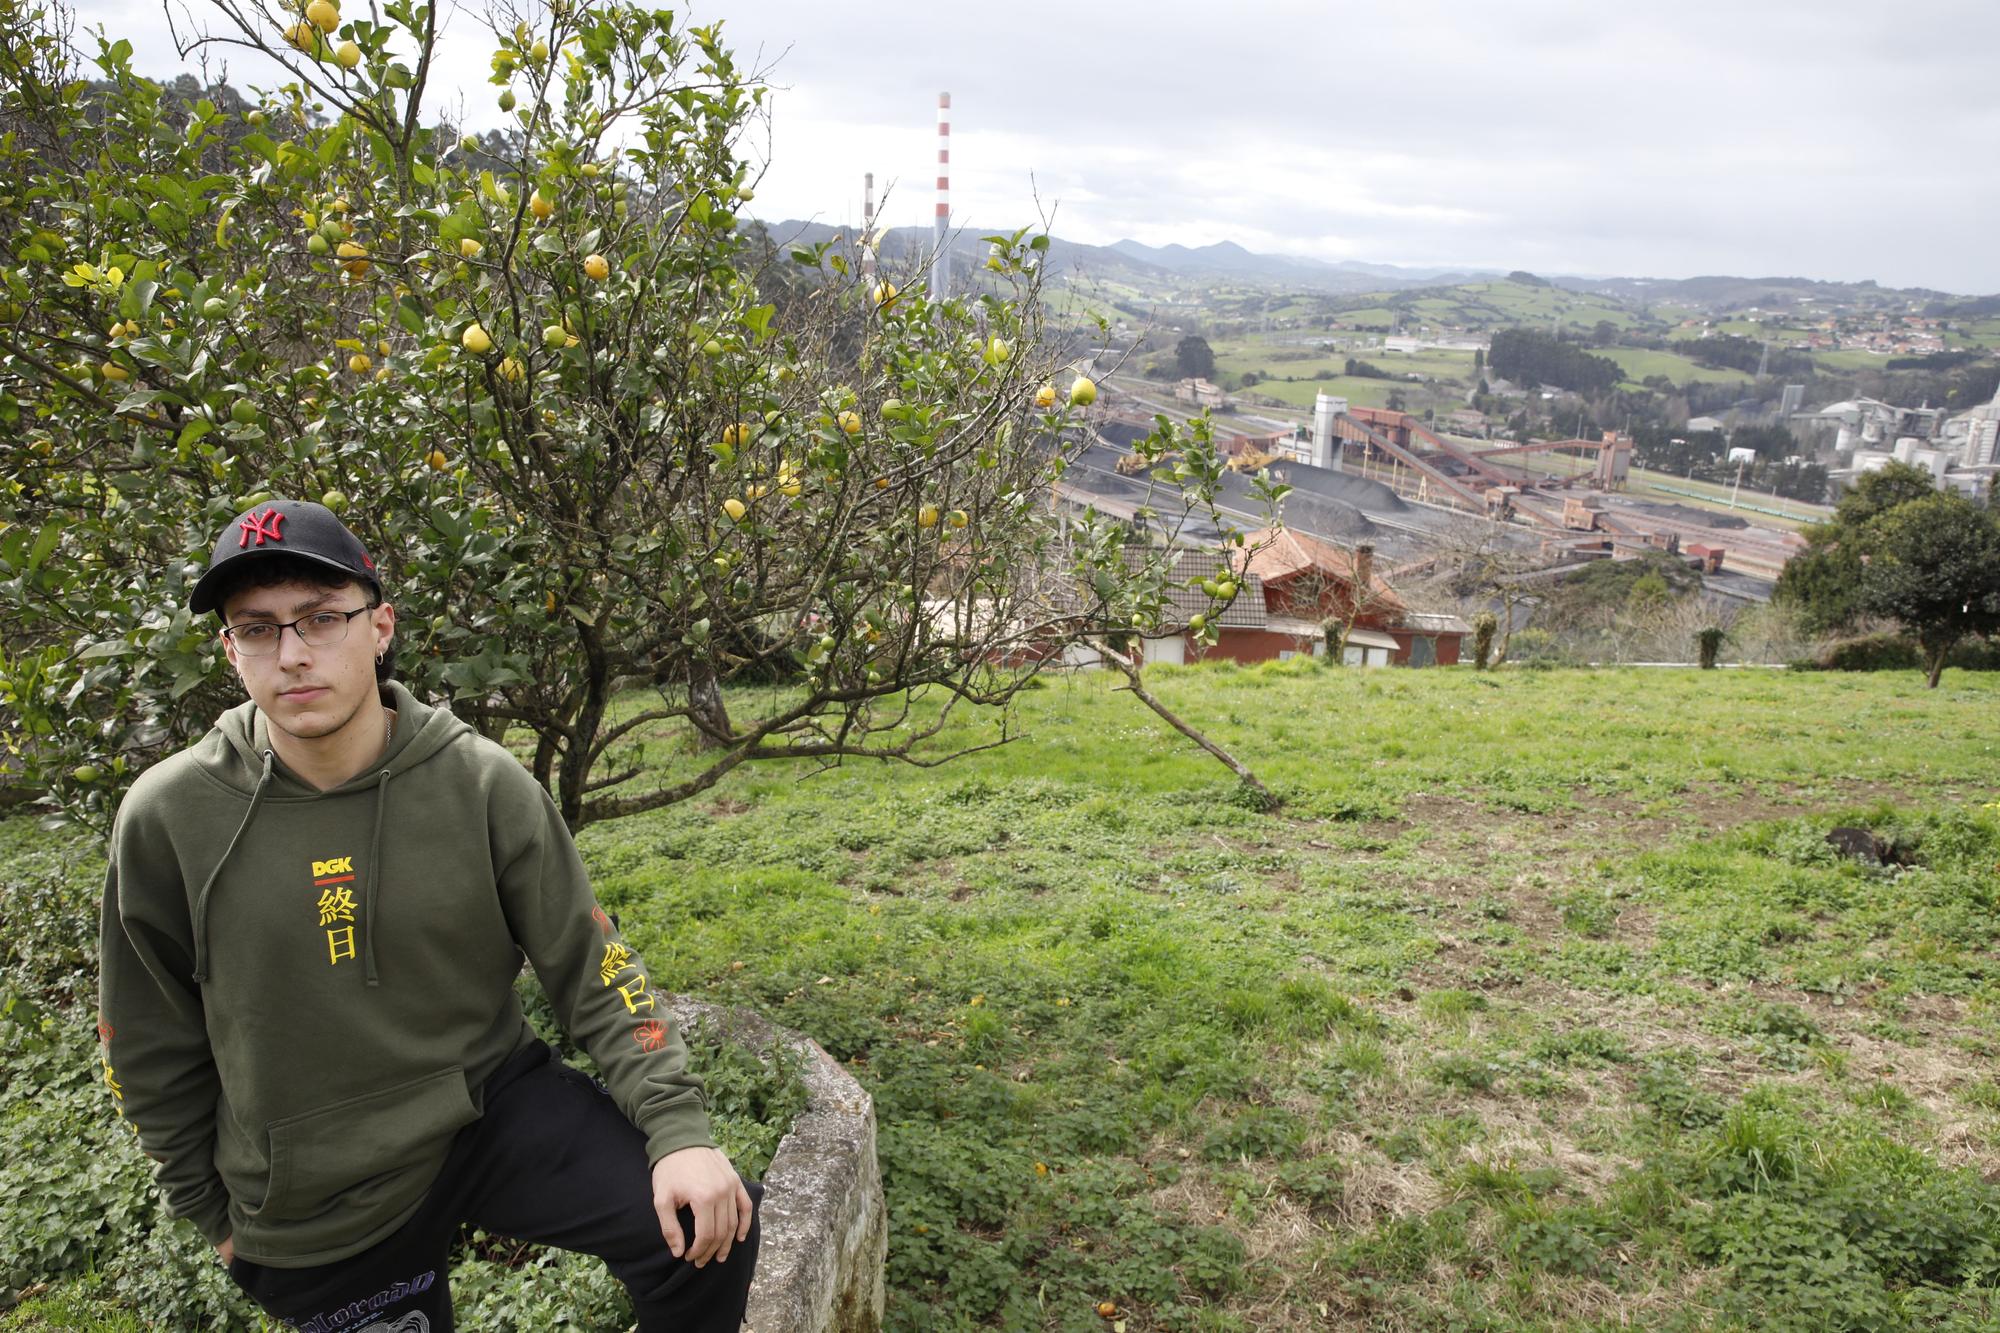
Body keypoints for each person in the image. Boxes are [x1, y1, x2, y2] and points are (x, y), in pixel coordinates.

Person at [97, 498, 759, 1332]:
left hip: (484, 1105)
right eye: (258, 628)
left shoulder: (478, 783)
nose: (292, 654)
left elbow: (592, 966)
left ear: (380, 626)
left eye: (320, 619)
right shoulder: (168, 818)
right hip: (315, 1192)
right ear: (231, 650)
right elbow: (144, 1042)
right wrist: (215, 1218)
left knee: (712, 1229)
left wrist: (679, 1128)